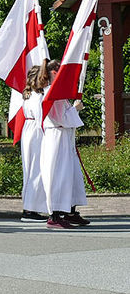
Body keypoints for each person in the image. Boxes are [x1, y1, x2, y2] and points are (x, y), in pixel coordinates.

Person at [38, 59, 89, 229]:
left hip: (63, 137)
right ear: (54, 73)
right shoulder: (52, 93)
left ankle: (69, 211)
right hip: (57, 138)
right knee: (59, 175)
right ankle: (55, 215)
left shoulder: (57, 93)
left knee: (71, 175)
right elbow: (61, 118)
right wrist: (76, 109)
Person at [19, 66, 47, 222]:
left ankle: (30, 206)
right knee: (37, 169)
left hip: (28, 131)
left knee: (30, 169)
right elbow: (41, 116)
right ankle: (31, 209)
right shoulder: (37, 97)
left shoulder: (28, 96)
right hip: (36, 131)